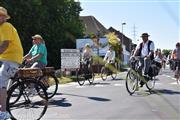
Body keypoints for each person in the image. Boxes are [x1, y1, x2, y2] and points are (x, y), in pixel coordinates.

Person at [0, 6, 23, 119]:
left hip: (12, 59)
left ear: (4, 17)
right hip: (5, 59)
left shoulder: (6, 26)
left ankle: (3, 113)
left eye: (1, 15)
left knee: (1, 83)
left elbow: (5, 44)